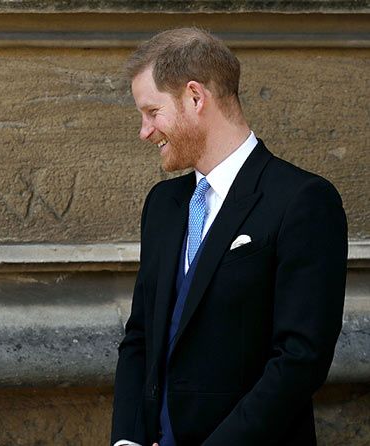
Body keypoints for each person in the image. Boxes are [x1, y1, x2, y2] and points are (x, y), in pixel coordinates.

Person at [111, 28, 347, 446]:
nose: (144, 131)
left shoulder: (302, 201)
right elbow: (140, 338)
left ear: (195, 97)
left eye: (152, 111)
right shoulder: (163, 205)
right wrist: (127, 440)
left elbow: (299, 361)